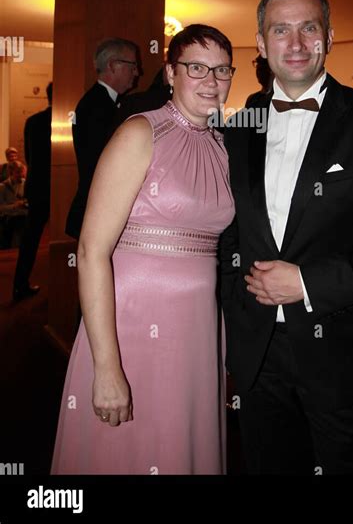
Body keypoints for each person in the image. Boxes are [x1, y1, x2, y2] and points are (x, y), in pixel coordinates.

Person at [220, 0, 353, 475]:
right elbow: (226, 231)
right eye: (280, 30)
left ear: (329, 38)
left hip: (343, 356)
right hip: (257, 356)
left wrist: (306, 282)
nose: (294, 44)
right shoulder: (235, 124)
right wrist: (236, 303)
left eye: (308, 28)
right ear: (262, 41)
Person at [51, 24, 235, 475]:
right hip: (132, 323)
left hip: (197, 328)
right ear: (171, 73)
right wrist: (107, 367)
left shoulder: (225, 146)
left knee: (180, 445)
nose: (211, 80)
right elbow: (93, 250)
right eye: (197, 67)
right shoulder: (140, 132)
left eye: (221, 69)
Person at [66, 38, 139, 239]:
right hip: (97, 208)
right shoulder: (97, 106)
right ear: (113, 65)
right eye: (132, 65)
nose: (137, 72)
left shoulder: (103, 102)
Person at [12, 82, 52, 301]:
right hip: (57, 187)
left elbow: (28, 156)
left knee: (31, 239)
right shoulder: (64, 121)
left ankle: (20, 283)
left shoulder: (32, 121)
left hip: (36, 186)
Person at [0, 160, 28, 249]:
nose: (21, 175)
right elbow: (1, 208)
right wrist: (15, 206)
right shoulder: (2, 187)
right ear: (11, 172)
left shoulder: (26, 183)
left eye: (22, 172)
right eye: (18, 172)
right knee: (7, 245)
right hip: (9, 219)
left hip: (24, 217)